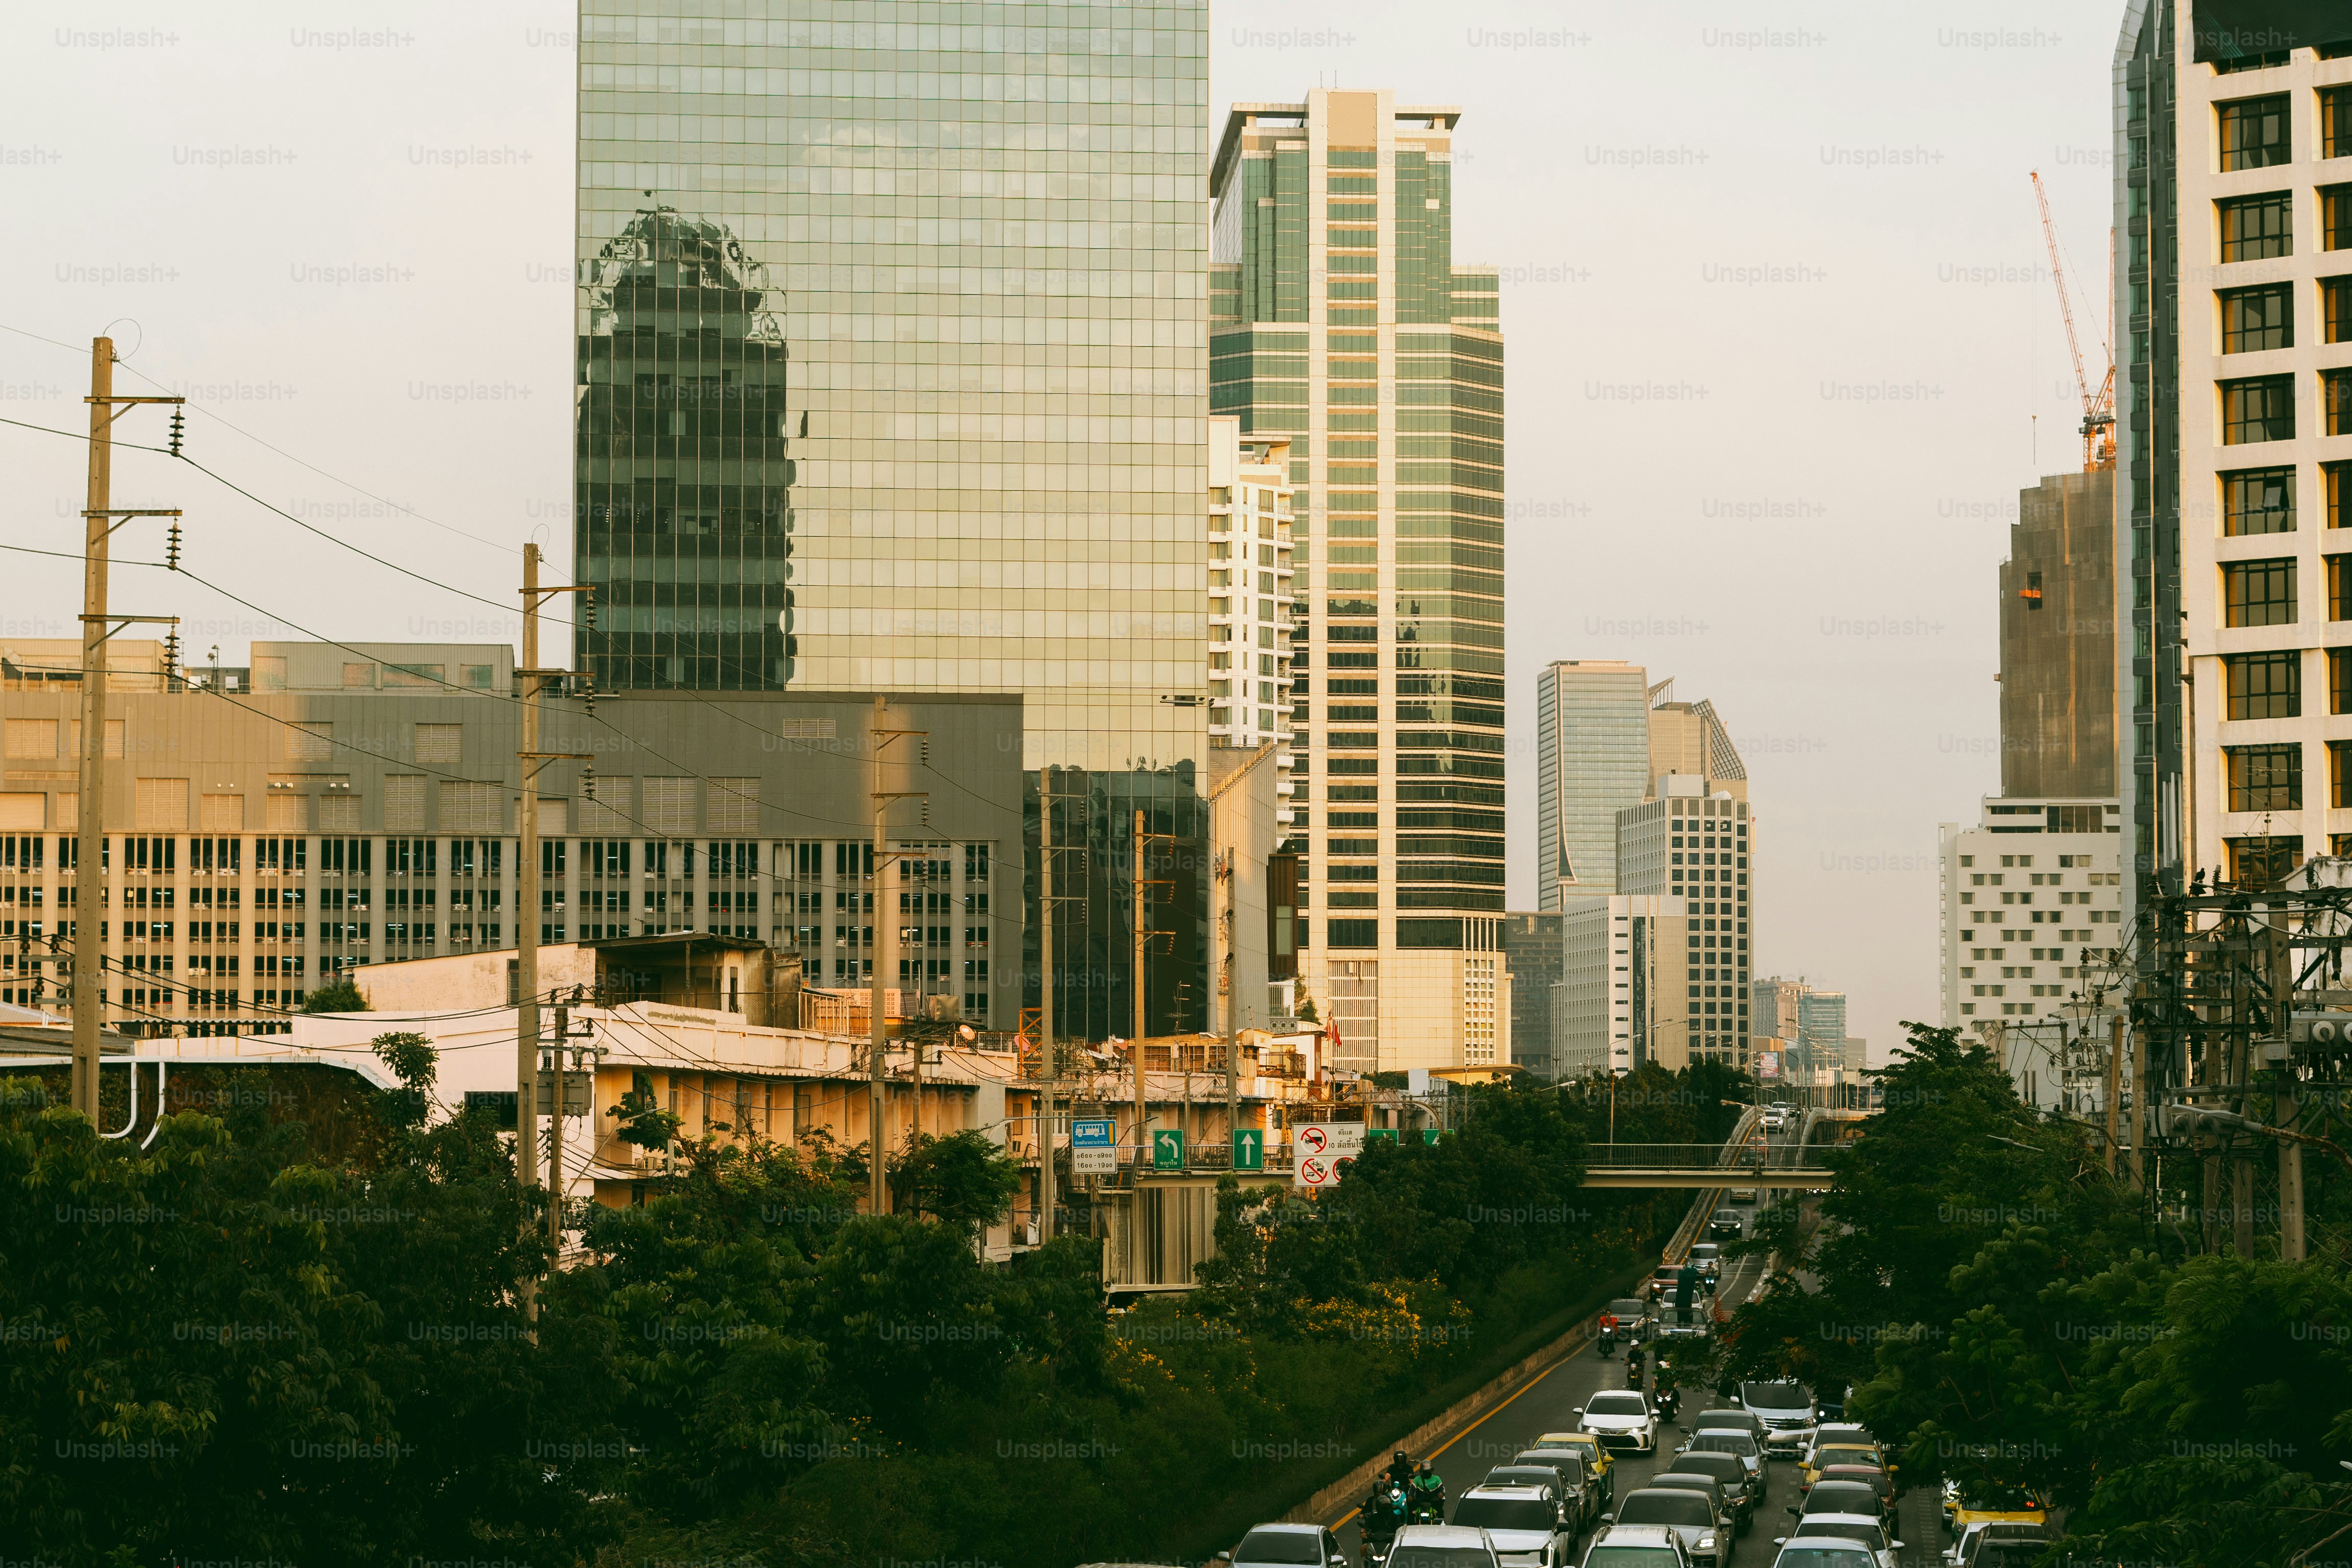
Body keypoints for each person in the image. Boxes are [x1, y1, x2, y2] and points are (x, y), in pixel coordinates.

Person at [1408, 1459, 1446, 1523]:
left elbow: (1442, 1488)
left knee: (1441, 1513)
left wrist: (1441, 1493)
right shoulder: (1417, 1479)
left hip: (1433, 1501)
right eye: (1425, 1472)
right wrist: (1410, 1496)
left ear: (1432, 1470)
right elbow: (1412, 1489)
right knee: (1411, 1513)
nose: (1427, 1473)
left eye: (1429, 1471)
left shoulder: (1437, 1478)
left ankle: (1441, 1527)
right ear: (1422, 1471)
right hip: (1420, 1501)